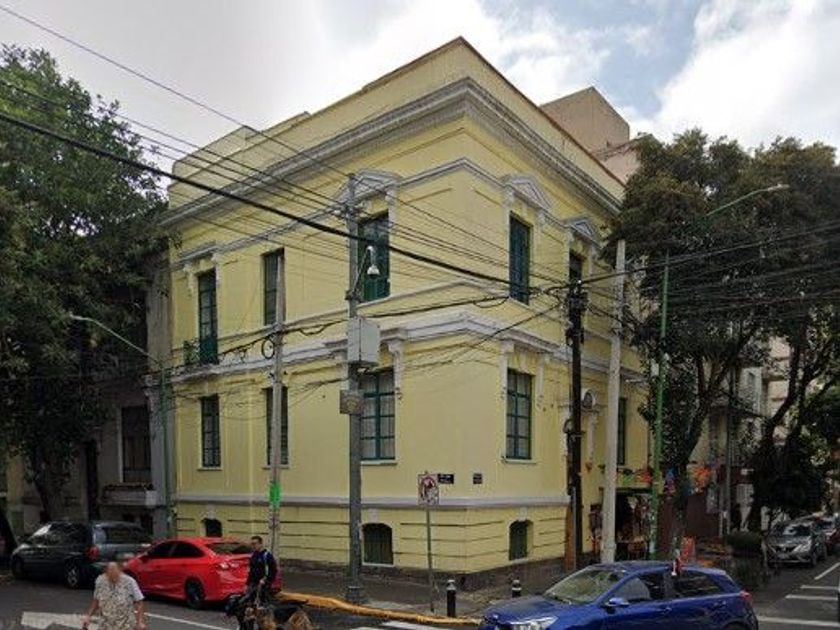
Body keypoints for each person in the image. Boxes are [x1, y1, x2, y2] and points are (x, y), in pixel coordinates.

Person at [82, 562, 146, 630]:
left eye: (115, 573)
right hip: (105, 624)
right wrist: (88, 616)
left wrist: (140, 622)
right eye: (110, 573)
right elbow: (96, 601)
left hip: (125, 624)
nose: (113, 576)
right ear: (106, 572)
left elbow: (139, 602)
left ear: (120, 571)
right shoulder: (100, 581)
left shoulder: (130, 582)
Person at [247, 535, 277, 604]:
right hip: (253, 583)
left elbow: (273, 570)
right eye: (252, 544)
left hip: (263, 584)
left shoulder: (267, 555)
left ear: (260, 544)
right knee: (251, 601)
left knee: (262, 602)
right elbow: (251, 570)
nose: (253, 546)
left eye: (255, 544)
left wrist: (265, 580)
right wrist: (248, 583)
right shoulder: (254, 555)